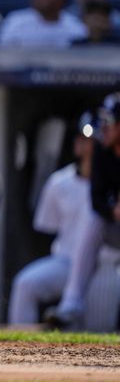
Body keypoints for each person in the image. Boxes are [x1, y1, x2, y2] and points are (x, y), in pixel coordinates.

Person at [8, 112, 99, 325]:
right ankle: (18, 347)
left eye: (88, 138)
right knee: (25, 283)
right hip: (65, 262)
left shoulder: (111, 181)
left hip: (104, 266)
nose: (80, 142)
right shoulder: (60, 182)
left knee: (97, 326)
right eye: (80, 136)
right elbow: (46, 227)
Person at [45, 93, 120, 332]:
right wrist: (113, 209)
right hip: (115, 226)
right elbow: (97, 200)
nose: (104, 130)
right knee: (94, 219)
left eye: (110, 123)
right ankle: (72, 303)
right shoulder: (101, 148)